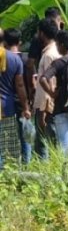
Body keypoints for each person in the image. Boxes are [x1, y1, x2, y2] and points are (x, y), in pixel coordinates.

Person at [0, 29, 30, 167]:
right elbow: (20, 85)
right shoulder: (15, 59)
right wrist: (25, 107)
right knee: (5, 144)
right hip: (6, 107)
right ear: (4, 41)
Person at [32, 18, 61, 160]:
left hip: (46, 107)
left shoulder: (49, 55)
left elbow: (50, 83)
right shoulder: (54, 51)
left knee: (43, 144)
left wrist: (43, 111)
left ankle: (44, 173)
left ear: (42, 33)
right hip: (50, 106)